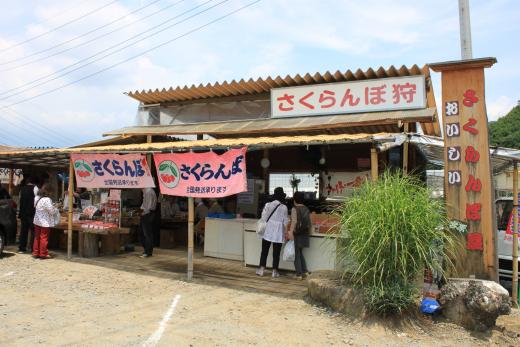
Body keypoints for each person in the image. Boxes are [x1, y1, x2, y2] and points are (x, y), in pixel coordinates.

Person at [256, 187, 289, 278]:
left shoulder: (267, 205)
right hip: (278, 232)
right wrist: (286, 232)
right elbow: (285, 222)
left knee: (264, 250)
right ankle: (275, 271)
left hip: (268, 231)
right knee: (276, 252)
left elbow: (263, 217)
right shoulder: (284, 207)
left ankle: (261, 270)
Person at [288, 191, 312, 279]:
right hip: (305, 233)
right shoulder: (306, 208)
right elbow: (310, 223)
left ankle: (298, 274)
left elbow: (294, 222)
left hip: (297, 234)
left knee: (296, 254)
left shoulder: (294, 209)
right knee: (300, 253)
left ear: (295, 199)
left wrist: (291, 233)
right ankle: (305, 271)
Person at [33, 184, 58, 259]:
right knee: (44, 238)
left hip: (37, 220)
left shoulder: (37, 198)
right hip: (44, 222)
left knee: (37, 237)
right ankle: (43, 253)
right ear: (49, 192)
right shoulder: (47, 200)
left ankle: (36, 252)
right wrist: (56, 208)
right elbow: (52, 211)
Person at [18, 176, 36, 253]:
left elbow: (20, 200)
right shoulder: (35, 188)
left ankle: (22, 248)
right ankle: (32, 248)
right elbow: (36, 200)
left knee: (23, 231)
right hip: (31, 213)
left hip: (23, 212)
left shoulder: (22, 189)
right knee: (33, 231)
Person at [139, 187, 157, 258]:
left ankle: (148, 252)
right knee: (143, 233)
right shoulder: (146, 191)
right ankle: (146, 250)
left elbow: (148, 207)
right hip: (146, 214)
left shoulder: (148, 191)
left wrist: (142, 213)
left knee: (147, 234)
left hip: (147, 214)